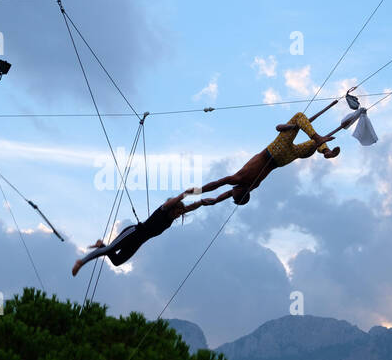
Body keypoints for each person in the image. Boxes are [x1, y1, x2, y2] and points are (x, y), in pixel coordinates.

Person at [189, 111, 339, 208]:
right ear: (240, 191)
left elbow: (226, 194)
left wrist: (215, 201)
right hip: (274, 151)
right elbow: (216, 184)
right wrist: (197, 191)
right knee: (300, 116)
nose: (231, 190)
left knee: (311, 145)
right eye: (234, 191)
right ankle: (319, 140)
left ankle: (326, 151)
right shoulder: (238, 178)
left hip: (283, 160)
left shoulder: (250, 187)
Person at [71, 191, 207, 276]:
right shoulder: (164, 209)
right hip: (133, 232)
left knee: (117, 261)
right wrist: (197, 191)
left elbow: (192, 207)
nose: (178, 216)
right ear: (172, 208)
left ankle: (101, 245)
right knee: (111, 249)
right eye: (177, 212)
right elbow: (181, 196)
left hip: (138, 242)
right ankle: (81, 262)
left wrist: (203, 202)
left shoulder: (173, 216)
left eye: (180, 214)